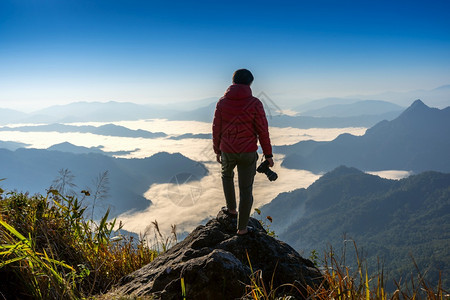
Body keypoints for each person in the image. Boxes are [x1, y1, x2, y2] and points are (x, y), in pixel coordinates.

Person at [212, 69, 274, 235]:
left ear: (233, 82)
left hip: (227, 150)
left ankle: (231, 210)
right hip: (248, 152)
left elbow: (216, 128)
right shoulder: (255, 103)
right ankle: (242, 229)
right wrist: (268, 155)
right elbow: (263, 131)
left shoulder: (222, 103)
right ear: (250, 83)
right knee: (246, 189)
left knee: (226, 176)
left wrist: (217, 149)